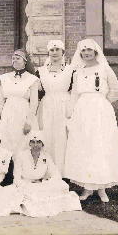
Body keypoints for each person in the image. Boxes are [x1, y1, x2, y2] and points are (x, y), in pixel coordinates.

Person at [64, 39, 118, 203]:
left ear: (95, 51)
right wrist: (71, 113)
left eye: (89, 50)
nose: (86, 53)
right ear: (80, 53)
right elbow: (74, 94)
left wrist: (103, 103)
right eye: (83, 50)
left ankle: (102, 188)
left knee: (100, 146)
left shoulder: (104, 68)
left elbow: (116, 89)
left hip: (100, 113)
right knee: (85, 147)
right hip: (82, 112)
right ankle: (88, 188)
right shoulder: (78, 72)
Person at [14, 130, 81, 217]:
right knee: (30, 192)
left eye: (38, 142)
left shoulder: (46, 156)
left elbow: (56, 174)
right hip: (26, 184)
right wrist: (26, 186)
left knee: (63, 185)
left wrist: (48, 182)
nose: (35, 145)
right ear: (29, 144)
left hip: (41, 184)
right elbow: (17, 178)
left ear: (42, 144)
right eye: (33, 142)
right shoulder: (21, 156)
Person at [36, 40, 74, 176]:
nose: (54, 52)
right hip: (47, 106)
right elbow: (38, 93)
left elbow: (74, 90)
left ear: (63, 52)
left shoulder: (70, 70)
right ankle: (47, 171)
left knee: (62, 137)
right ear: (48, 52)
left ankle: (63, 173)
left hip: (64, 105)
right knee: (47, 136)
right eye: (52, 50)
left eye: (57, 49)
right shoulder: (40, 71)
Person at [0, 49, 39, 155]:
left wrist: (29, 122)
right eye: (13, 58)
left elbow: (34, 103)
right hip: (8, 113)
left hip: (23, 113)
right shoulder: (5, 78)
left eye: (18, 58)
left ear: (25, 61)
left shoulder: (32, 79)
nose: (15, 60)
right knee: (7, 141)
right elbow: (0, 100)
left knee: (22, 142)